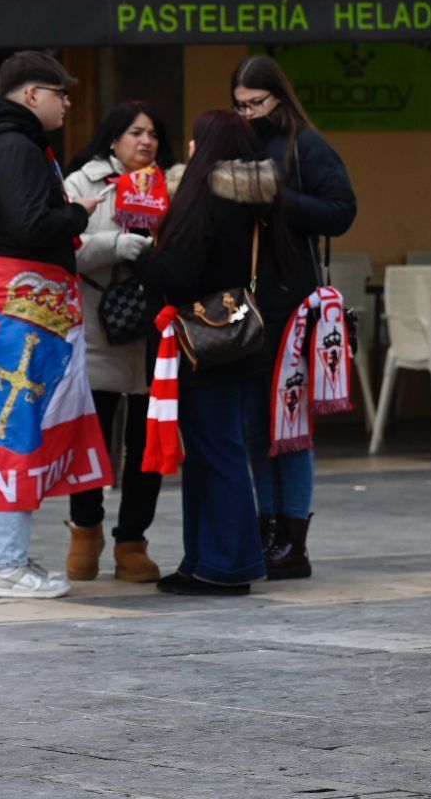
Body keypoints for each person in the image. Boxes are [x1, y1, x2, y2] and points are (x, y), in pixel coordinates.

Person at [0, 52, 110, 601]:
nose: (67, 103)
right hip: (20, 303)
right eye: (59, 93)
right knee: (13, 426)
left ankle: (6, 556)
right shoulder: (16, 145)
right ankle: (5, 563)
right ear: (29, 95)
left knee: (0, 423)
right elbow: (31, 223)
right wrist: (79, 213)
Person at [135, 110, 287, 596]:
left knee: (214, 452)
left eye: (197, 141)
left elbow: (178, 272)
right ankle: (202, 560)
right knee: (216, 450)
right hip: (244, 338)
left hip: (205, 341)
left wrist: (147, 261)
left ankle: (228, 565)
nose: (192, 149)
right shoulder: (261, 199)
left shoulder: (206, 199)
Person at [231, 57, 357, 579]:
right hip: (252, 303)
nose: (248, 113)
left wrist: (280, 199)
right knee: (258, 426)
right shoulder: (243, 146)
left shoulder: (306, 145)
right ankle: (267, 530)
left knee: (293, 425)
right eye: (239, 105)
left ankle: (295, 538)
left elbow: (342, 211)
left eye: (255, 104)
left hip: (296, 305)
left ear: (278, 98)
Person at [60, 102, 178, 583]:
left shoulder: (168, 184)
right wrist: (116, 244)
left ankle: (132, 541)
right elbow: (65, 249)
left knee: (145, 444)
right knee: (93, 439)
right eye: (135, 132)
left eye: (152, 133)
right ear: (113, 138)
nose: (145, 141)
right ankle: (85, 533)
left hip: (152, 327)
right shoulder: (81, 183)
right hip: (95, 326)